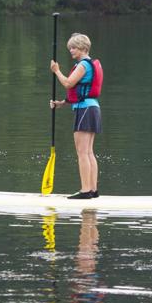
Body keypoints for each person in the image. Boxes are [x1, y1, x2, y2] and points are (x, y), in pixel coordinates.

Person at [50, 33, 102, 199]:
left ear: (82, 48)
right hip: (92, 108)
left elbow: (68, 83)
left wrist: (56, 71)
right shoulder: (88, 64)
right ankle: (93, 190)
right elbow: (79, 91)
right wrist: (63, 102)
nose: (71, 50)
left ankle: (85, 190)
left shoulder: (83, 65)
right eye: (70, 47)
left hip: (85, 110)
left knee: (82, 153)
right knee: (88, 152)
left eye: (73, 47)